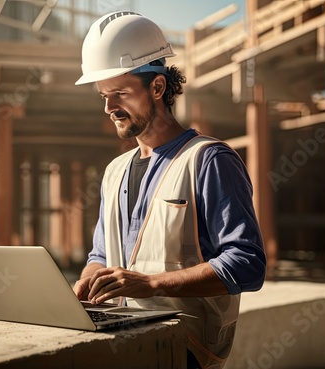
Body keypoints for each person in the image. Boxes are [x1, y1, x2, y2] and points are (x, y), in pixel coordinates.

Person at [72, 11, 266, 369]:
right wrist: (86, 284)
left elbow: (247, 265)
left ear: (157, 87)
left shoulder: (209, 160)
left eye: (119, 94)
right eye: (103, 95)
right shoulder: (115, 171)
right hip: (124, 342)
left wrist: (152, 284)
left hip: (186, 349)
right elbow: (99, 256)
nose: (109, 107)